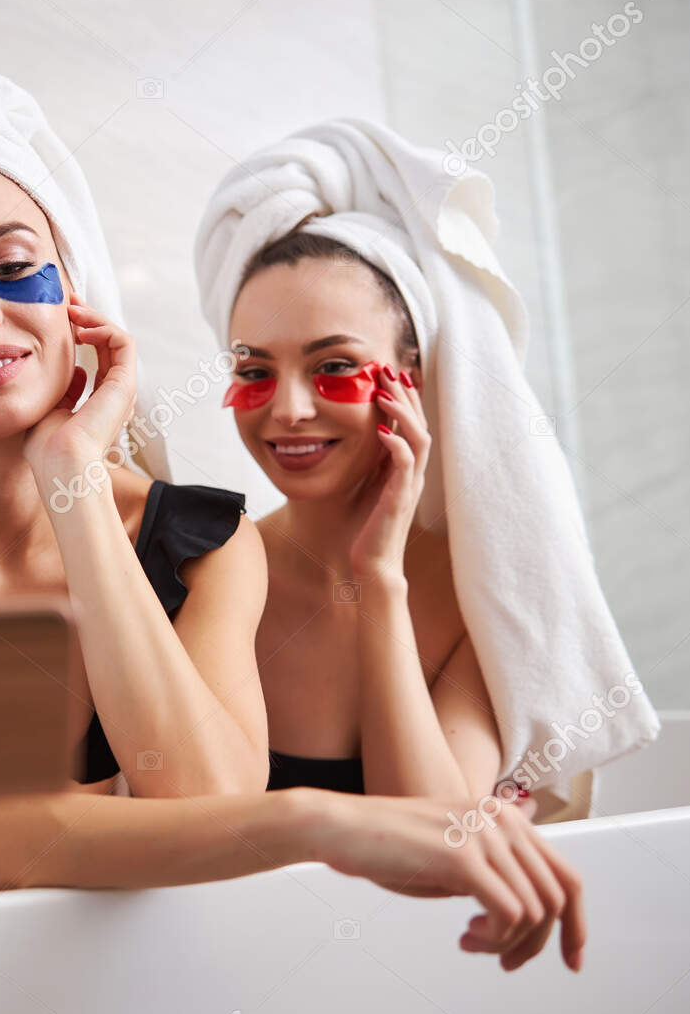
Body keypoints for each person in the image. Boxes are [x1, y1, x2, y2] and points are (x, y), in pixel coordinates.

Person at [0, 45, 585, 973]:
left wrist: (71, 476)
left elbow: (199, 799)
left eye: (12, 268)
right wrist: (318, 820)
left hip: (115, 1009)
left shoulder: (203, 541)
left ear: (73, 292)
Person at [194, 120, 660, 802]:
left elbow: (434, 832)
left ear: (411, 372)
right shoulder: (211, 571)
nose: (288, 408)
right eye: (255, 370)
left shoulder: (487, 590)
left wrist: (379, 580)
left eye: (334, 367)